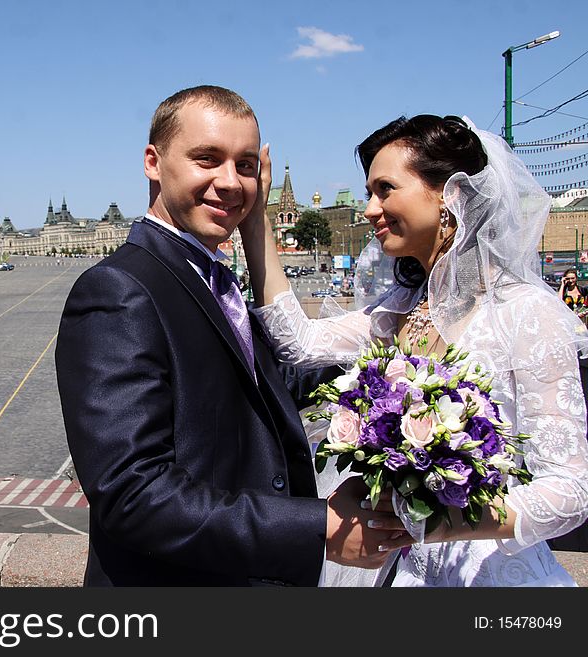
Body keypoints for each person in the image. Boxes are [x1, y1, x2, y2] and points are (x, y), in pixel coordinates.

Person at [55, 85, 408, 586]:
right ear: (153, 162)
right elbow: (133, 493)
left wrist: (389, 356)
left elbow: (252, 388)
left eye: (245, 165)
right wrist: (315, 530)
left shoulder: (207, 272)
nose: (230, 182)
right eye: (207, 159)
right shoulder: (119, 290)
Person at [240, 114, 588, 586]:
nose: (368, 208)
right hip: (408, 571)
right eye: (368, 192)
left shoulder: (525, 314)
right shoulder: (402, 308)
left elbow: (571, 491)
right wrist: (256, 218)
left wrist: (433, 521)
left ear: (450, 196)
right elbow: (296, 341)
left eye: (385, 189)